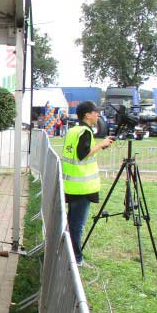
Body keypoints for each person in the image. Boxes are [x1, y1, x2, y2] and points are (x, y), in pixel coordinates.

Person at [62, 101, 114, 267]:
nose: (97, 115)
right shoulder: (85, 131)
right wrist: (101, 145)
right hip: (82, 187)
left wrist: (98, 145)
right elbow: (83, 154)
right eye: (95, 112)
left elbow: (78, 154)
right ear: (87, 115)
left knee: (72, 224)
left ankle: (68, 254)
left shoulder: (73, 131)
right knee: (77, 226)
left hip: (71, 185)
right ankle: (76, 259)